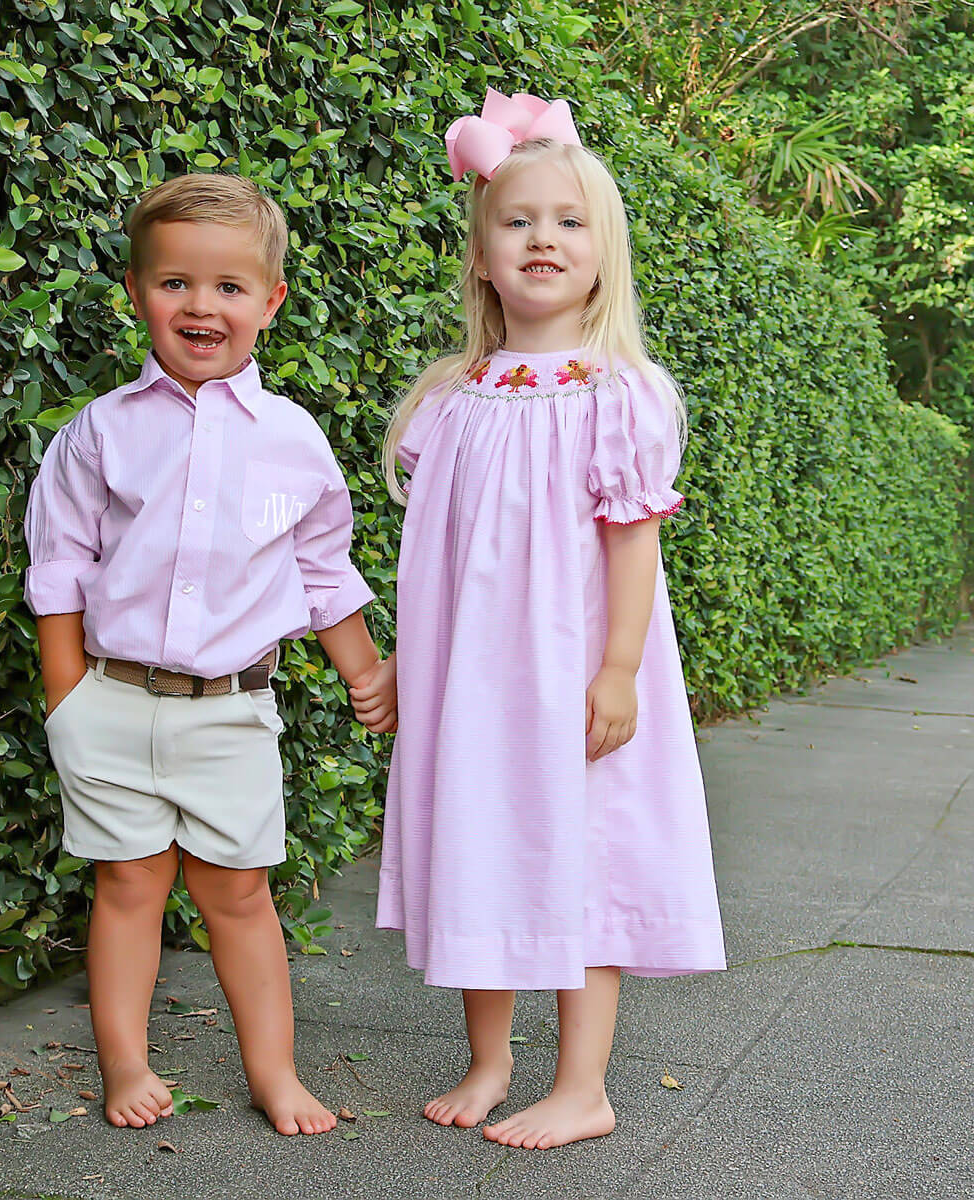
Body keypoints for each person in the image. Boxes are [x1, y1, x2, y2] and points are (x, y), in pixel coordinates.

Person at [352, 89, 726, 1150]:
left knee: (580, 847)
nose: (543, 239)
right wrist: (406, 666)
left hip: (574, 666)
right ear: (479, 254)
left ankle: (583, 1085)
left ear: (604, 252)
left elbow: (631, 541)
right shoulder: (453, 396)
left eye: (569, 222)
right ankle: (488, 1059)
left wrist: (619, 669)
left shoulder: (618, 391)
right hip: (473, 673)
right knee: (479, 835)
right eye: (517, 221)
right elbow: (442, 556)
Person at [24, 173, 397, 1135]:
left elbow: (323, 573)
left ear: (270, 302)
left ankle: (274, 1072)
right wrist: (68, 699)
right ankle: (124, 1066)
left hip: (231, 711)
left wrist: (365, 671)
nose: (202, 306)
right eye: (176, 283)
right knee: (129, 886)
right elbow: (60, 566)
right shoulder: (100, 432)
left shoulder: (294, 442)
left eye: (230, 287)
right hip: (110, 702)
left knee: (238, 896)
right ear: (137, 289)